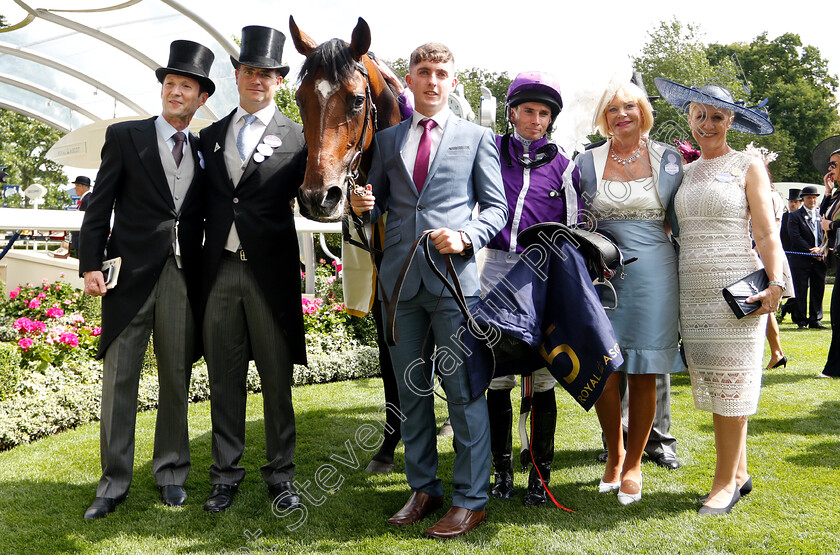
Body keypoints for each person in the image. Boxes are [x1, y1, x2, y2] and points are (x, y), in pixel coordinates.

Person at [350, 42, 507, 539]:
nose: (432, 81)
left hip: (453, 282)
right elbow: (376, 204)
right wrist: (362, 206)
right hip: (399, 284)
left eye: (441, 73)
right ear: (412, 80)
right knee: (409, 397)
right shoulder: (388, 138)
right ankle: (423, 488)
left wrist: (467, 235)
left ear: (452, 82)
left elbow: (496, 210)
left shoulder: (479, 137)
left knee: (463, 393)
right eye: (424, 72)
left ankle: (471, 498)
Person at [78, 40, 214, 519]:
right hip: (128, 276)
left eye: (187, 87)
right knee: (120, 381)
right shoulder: (125, 136)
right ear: (162, 89)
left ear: (200, 99)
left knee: (176, 375)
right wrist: (90, 263)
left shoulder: (204, 150)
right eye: (171, 84)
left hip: (182, 276)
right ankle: (113, 484)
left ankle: (172, 472)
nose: (176, 92)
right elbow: (99, 206)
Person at [655, 77, 784, 514]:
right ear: (688, 117)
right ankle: (741, 472)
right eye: (699, 115)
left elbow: (766, 231)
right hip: (692, 291)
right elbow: (668, 229)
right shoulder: (685, 173)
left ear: (731, 120)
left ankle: (723, 484)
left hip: (737, 291)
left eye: (717, 116)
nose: (706, 124)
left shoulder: (749, 165)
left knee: (735, 387)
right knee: (717, 385)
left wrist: (777, 281)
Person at [199, 26, 307, 513]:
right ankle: (225, 473)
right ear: (237, 75)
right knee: (223, 377)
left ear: (279, 81)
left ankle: (280, 473)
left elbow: (317, 199)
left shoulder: (300, 138)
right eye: (249, 71)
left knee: (276, 376)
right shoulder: (209, 136)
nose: (257, 80)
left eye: (267, 73)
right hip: (219, 271)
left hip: (272, 275)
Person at [469, 71, 581, 506]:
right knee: (496, 379)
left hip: (541, 276)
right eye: (529, 111)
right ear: (512, 112)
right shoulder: (490, 150)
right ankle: (501, 472)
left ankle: (539, 473)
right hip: (494, 271)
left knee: (541, 380)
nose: (536, 119)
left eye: (544, 113)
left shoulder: (564, 164)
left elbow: (572, 229)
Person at [577, 80, 683, 506]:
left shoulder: (670, 160)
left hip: (655, 275)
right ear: (603, 118)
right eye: (613, 109)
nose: (622, 114)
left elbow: (679, 222)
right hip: (602, 277)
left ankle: (635, 462)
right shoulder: (584, 163)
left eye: (630, 107)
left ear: (643, 111)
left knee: (645, 371)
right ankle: (614, 453)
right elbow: (576, 223)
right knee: (605, 370)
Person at [814, 136, 840, 378]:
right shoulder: (837, 194)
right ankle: (834, 367)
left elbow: (829, 222)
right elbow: (823, 214)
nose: (830, 169)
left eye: (834, 164)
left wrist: (831, 226)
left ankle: (833, 368)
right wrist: (828, 192)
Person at [787, 185, 827, 329]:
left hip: (820, 259)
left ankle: (815, 319)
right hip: (802, 259)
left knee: (818, 289)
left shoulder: (821, 215)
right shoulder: (795, 215)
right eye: (809, 197)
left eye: (814, 197)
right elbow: (795, 237)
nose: (812, 200)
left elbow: (827, 235)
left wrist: (821, 249)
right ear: (803, 199)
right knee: (800, 289)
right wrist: (812, 251)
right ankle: (801, 320)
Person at [779, 188, 802, 323]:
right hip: (786, 254)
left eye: (795, 202)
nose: (793, 204)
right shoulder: (784, 217)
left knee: (798, 287)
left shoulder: (802, 217)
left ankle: (788, 308)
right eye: (791, 201)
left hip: (799, 256)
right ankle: (784, 308)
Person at [70, 175, 92, 258]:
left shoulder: (87, 199)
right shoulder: (86, 199)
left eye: (76, 186)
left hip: (83, 240)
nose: (75, 189)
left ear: (80, 186)